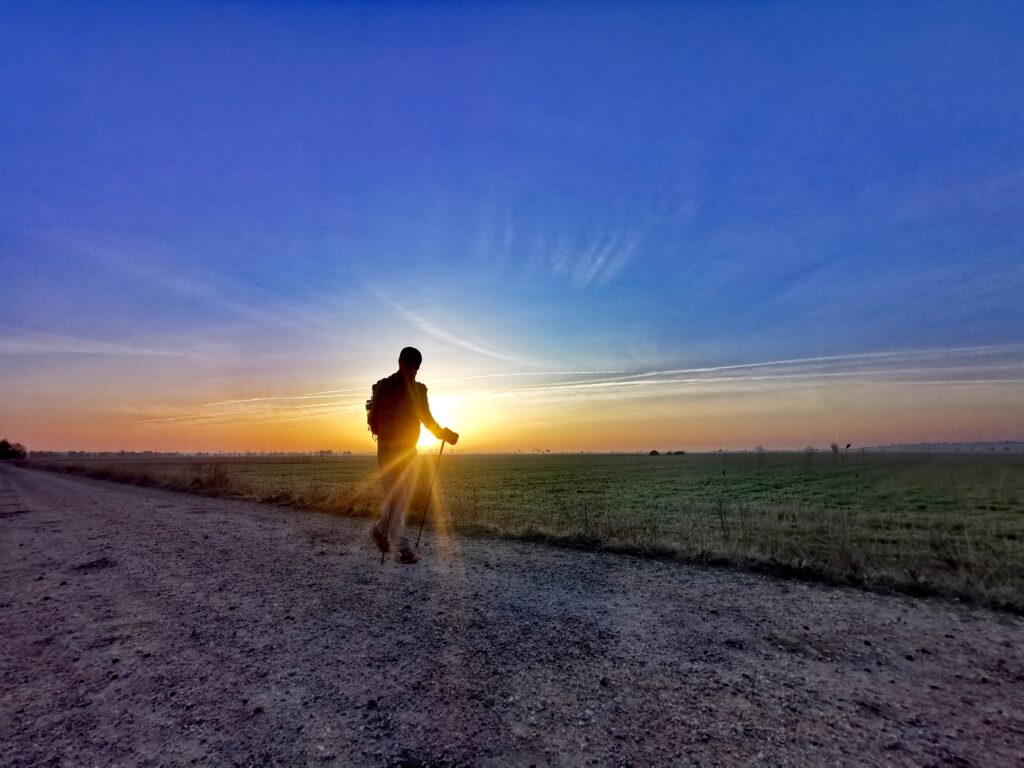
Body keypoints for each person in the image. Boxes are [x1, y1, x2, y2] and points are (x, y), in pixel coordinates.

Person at [368, 347, 459, 563]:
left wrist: (443, 434)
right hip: (388, 448)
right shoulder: (387, 386)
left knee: (400, 495)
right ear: (400, 363)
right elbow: (376, 417)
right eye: (409, 366)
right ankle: (403, 549)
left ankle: (380, 530)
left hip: (408, 449)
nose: (412, 370)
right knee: (398, 496)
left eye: (415, 367)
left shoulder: (419, 391)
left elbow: (426, 419)